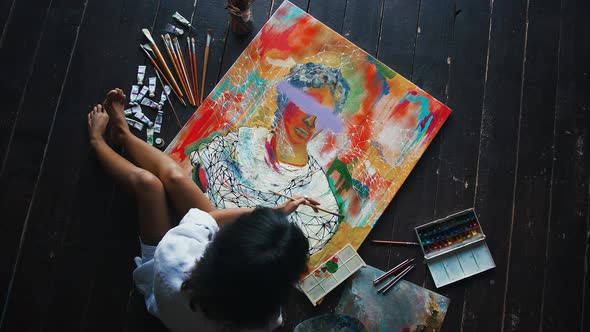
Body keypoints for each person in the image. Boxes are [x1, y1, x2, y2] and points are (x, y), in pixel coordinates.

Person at [87, 89, 315, 331]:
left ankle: (98, 142)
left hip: (164, 279)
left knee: (150, 184)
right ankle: (123, 135)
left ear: (223, 243)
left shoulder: (175, 256)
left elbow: (211, 218)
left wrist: (268, 213)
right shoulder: (263, 317)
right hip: (204, 289)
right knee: (174, 178)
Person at [190, 63, 350, 255]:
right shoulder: (236, 144)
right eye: (308, 105)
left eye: (323, 116)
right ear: (285, 100)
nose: (311, 122)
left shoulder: (320, 197)